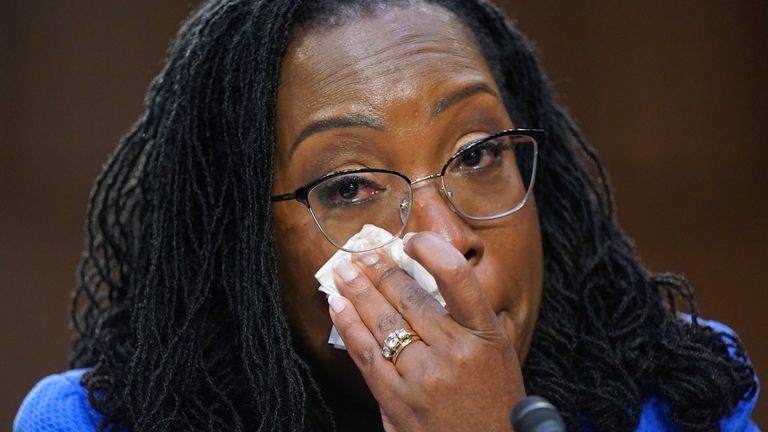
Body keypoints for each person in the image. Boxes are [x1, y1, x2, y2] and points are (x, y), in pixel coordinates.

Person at [14, 0, 759, 431]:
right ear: (241, 250)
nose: (443, 242)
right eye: (348, 188)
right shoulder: (91, 424)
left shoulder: (681, 394)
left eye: (476, 155)